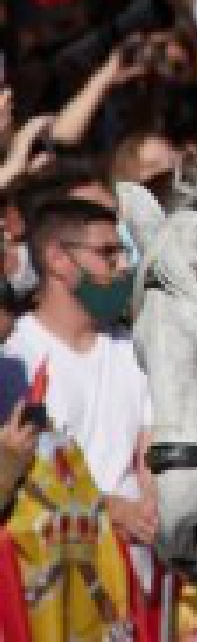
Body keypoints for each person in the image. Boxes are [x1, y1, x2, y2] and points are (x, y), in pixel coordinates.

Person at [0, 175, 155, 555]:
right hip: (48, 578)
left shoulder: (136, 351)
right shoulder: (14, 357)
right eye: (107, 254)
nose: (122, 268)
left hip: (135, 579)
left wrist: (148, 507)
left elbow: (149, 452)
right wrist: (113, 510)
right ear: (58, 260)